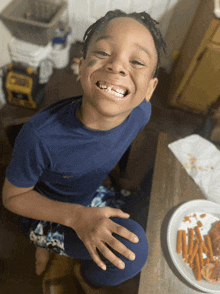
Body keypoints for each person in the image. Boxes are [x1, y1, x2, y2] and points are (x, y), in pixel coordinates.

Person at [2, 10, 166, 288]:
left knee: (144, 212)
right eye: (103, 53)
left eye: (136, 61)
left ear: (149, 88)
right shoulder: (40, 136)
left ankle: (64, 250)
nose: (117, 66)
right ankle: (82, 275)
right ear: (81, 67)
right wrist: (76, 217)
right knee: (132, 252)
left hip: (91, 194)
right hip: (43, 212)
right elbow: (12, 198)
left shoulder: (141, 113)